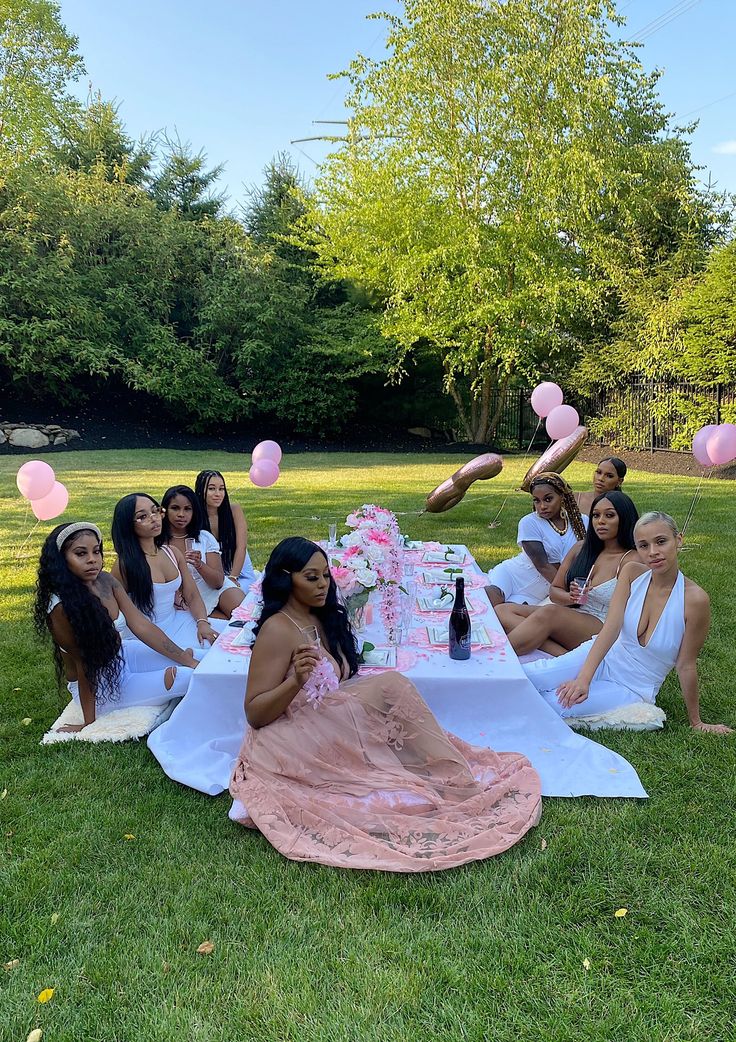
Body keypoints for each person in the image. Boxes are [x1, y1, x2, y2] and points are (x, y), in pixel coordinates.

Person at [229, 537, 542, 872]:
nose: (322, 585)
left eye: (325, 576)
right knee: (390, 689)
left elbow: (340, 680)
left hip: (325, 717)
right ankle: (451, 781)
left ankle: (450, 776)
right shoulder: (277, 629)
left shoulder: (316, 614)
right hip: (289, 736)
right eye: (311, 577)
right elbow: (255, 713)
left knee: (391, 687)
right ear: (284, 578)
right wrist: (295, 682)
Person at [522, 512, 733, 733]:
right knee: (529, 677)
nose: (653, 552)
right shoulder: (632, 573)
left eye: (661, 541)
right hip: (602, 657)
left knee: (553, 706)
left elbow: (686, 663)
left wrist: (696, 722)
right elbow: (610, 629)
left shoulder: (695, 600)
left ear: (678, 540)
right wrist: (584, 678)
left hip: (632, 687)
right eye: (643, 545)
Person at [34, 522, 199, 732]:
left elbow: (141, 626)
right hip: (100, 686)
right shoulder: (60, 607)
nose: (92, 559)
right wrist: (88, 724)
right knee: (186, 677)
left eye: (96, 551)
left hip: (123, 655)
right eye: (80, 553)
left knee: (201, 658)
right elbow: (85, 666)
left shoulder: (105, 580)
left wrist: (188, 659)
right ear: (61, 560)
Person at [496, 491, 640, 656]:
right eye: (595, 515)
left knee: (550, 612)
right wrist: (571, 597)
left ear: (625, 518)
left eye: (609, 515)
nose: (600, 521)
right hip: (574, 613)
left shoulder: (633, 559)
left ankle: (498, 656)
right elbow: (555, 590)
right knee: (503, 610)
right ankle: (562, 654)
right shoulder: (581, 549)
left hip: (603, 624)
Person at [111, 493, 219, 660]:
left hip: (176, 621)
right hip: (145, 638)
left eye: (155, 511)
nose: (154, 518)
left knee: (228, 638)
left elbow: (191, 594)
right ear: (128, 525)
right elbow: (115, 614)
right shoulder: (124, 565)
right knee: (204, 660)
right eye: (142, 516)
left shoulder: (172, 553)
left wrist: (202, 622)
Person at [486, 473, 587, 607]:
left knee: (510, 619)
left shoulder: (583, 522)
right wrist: (565, 592)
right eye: (537, 500)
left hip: (542, 592)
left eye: (548, 499)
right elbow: (543, 566)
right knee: (488, 604)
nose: (542, 506)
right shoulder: (529, 522)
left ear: (562, 497)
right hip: (513, 577)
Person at [159, 485, 245, 620]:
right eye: (175, 508)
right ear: (164, 510)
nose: (181, 514)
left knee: (244, 616)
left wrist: (199, 564)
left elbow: (218, 582)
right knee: (223, 627)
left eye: (187, 509)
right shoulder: (157, 542)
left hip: (213, 588)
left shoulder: (204, 537)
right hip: (185, 597)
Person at [194, 470, 255, 590]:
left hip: (239, 572)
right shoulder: (195, 516)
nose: (218, 494)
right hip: (214, 572)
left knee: (237, 594)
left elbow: (241, 547)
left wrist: (233, 577)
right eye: (212, 489)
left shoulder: (234, 510)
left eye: (221, 489)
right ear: (201, 490)